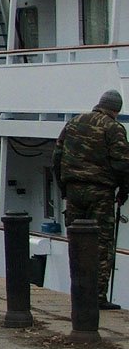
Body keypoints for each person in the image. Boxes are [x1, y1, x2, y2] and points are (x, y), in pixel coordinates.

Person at [53, 89, 129, 310]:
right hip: (100, 193)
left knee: (77, 242)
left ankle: (78, 292)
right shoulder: (113, 128)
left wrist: (64, 190)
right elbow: (123, 164)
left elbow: (56, 157)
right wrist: (123, 192)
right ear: (116, 109)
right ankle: (97, 297)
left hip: (74, 190)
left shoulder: (74, 122)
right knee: (101, 244)